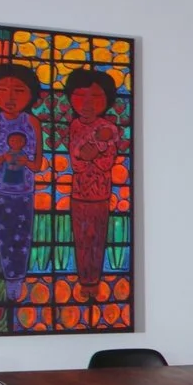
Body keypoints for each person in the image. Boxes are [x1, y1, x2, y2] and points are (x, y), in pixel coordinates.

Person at [0, 61, 44, 300]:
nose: (9, 98)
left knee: (23, 235)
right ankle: (9, 279)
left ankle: (18, 279)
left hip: (25, 191)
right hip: (2, 190)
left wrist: (24, 160)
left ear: (31, 94)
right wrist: (6, 157)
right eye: (1, 90)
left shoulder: (32, 122)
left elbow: (37, 165)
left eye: (18, 91)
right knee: (4, 235)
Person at [63, 67, 121, 295]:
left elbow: (106, 162)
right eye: (80, 96)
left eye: (96, 97)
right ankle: (84, 281)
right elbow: (77, 161)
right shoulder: (75, 125)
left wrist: (92, 151)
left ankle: (93, 282)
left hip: (101, 194)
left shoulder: (109, 128)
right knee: (81, 238)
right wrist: (95, 149)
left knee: (97, 238)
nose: (87, 103)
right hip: (78, 193)